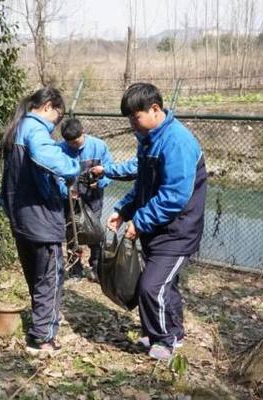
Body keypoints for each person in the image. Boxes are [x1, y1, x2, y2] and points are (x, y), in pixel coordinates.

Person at [95, 83, 207, 360]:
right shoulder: (150, 139)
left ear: (155, 109)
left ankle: (163, 341)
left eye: (136, 116)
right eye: (130, 118)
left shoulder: (177, 142)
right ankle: (173, 333)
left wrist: (140, 221)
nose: (133, 123)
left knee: (151, 286)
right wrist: (124, 210)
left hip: (178, 231)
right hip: (158, 229)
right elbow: (145, 185)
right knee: (164, 286)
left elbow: (174, 196)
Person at [0, 87, 80, 356]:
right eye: (58, 115)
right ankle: (43, 337)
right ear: (48, 105)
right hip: (42, 220)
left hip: (21, 218)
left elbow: (12, 179)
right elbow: (48, 158)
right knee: (50, 278)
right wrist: (72, 168)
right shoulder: (35, 130)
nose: (57, 122)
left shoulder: (16, 128)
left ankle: (40, 323)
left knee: (36, 276)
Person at [57, 118, 113, 282]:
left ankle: (96, 267)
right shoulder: (60, 150)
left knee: (95, 232)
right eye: (71, 143)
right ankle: (75, 268)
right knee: (72, 233)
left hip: (93, 198)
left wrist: (101, 182)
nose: (75, 145)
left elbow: (109, 169)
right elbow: (56, 176)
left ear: (83, 132)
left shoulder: (98, 146)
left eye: (77, 141)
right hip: (70, 200)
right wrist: (66, 191)